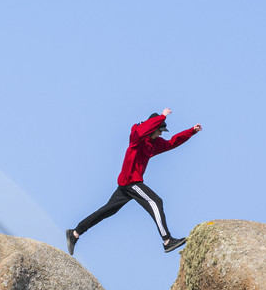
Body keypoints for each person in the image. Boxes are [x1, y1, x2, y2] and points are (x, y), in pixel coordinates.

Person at [67, 108, 201, 254]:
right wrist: (162, 117)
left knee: (106, 211)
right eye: (160, 130)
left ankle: (75, 233)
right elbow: (142, 129)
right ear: (153, 128)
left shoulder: (154, 143)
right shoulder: (137, 137)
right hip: (131, 182)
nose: (161, 133)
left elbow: (172, 142)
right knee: (156, 202)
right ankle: (167, 240)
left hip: (127, 185)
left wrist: (191, 131)